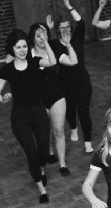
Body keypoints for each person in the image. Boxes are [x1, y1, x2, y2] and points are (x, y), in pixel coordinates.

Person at [5, 23, 78, 177]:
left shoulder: (53, 50)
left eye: (44, 35)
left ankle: (62, 164)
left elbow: (73, 61)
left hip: (56, 95)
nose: (41, 38)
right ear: (32, 38)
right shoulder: (27, 55)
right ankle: (48, 153)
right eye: (38, 36)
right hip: (37, 99)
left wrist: (68, 44)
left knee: (59, 130)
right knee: (42, 133)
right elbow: (9, 63)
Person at [0, 29, 54, 203]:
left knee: (43, 153)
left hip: (38, 112)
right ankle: (41, 189)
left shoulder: (35, 62)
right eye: (18, 47)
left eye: (25, 46)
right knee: (32, 153)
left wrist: (45, 42)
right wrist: (2, 99)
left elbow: (53, 61)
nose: (22, 50)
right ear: (12, 49)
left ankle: (40, 169)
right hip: (20, 117)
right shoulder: (7, 69)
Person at [48, 0, 94, 153]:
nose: (65, 30)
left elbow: (80, 22)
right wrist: (48, 29)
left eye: (68, 27)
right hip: (65, 83)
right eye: (62, 28)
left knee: (84, 111)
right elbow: (66, 59)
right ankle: (73, 128)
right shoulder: (55, 45)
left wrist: (69, 6)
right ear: (58, 30)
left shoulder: (77, 39)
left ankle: (88, 142)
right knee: (70, 109)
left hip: (82, 81)